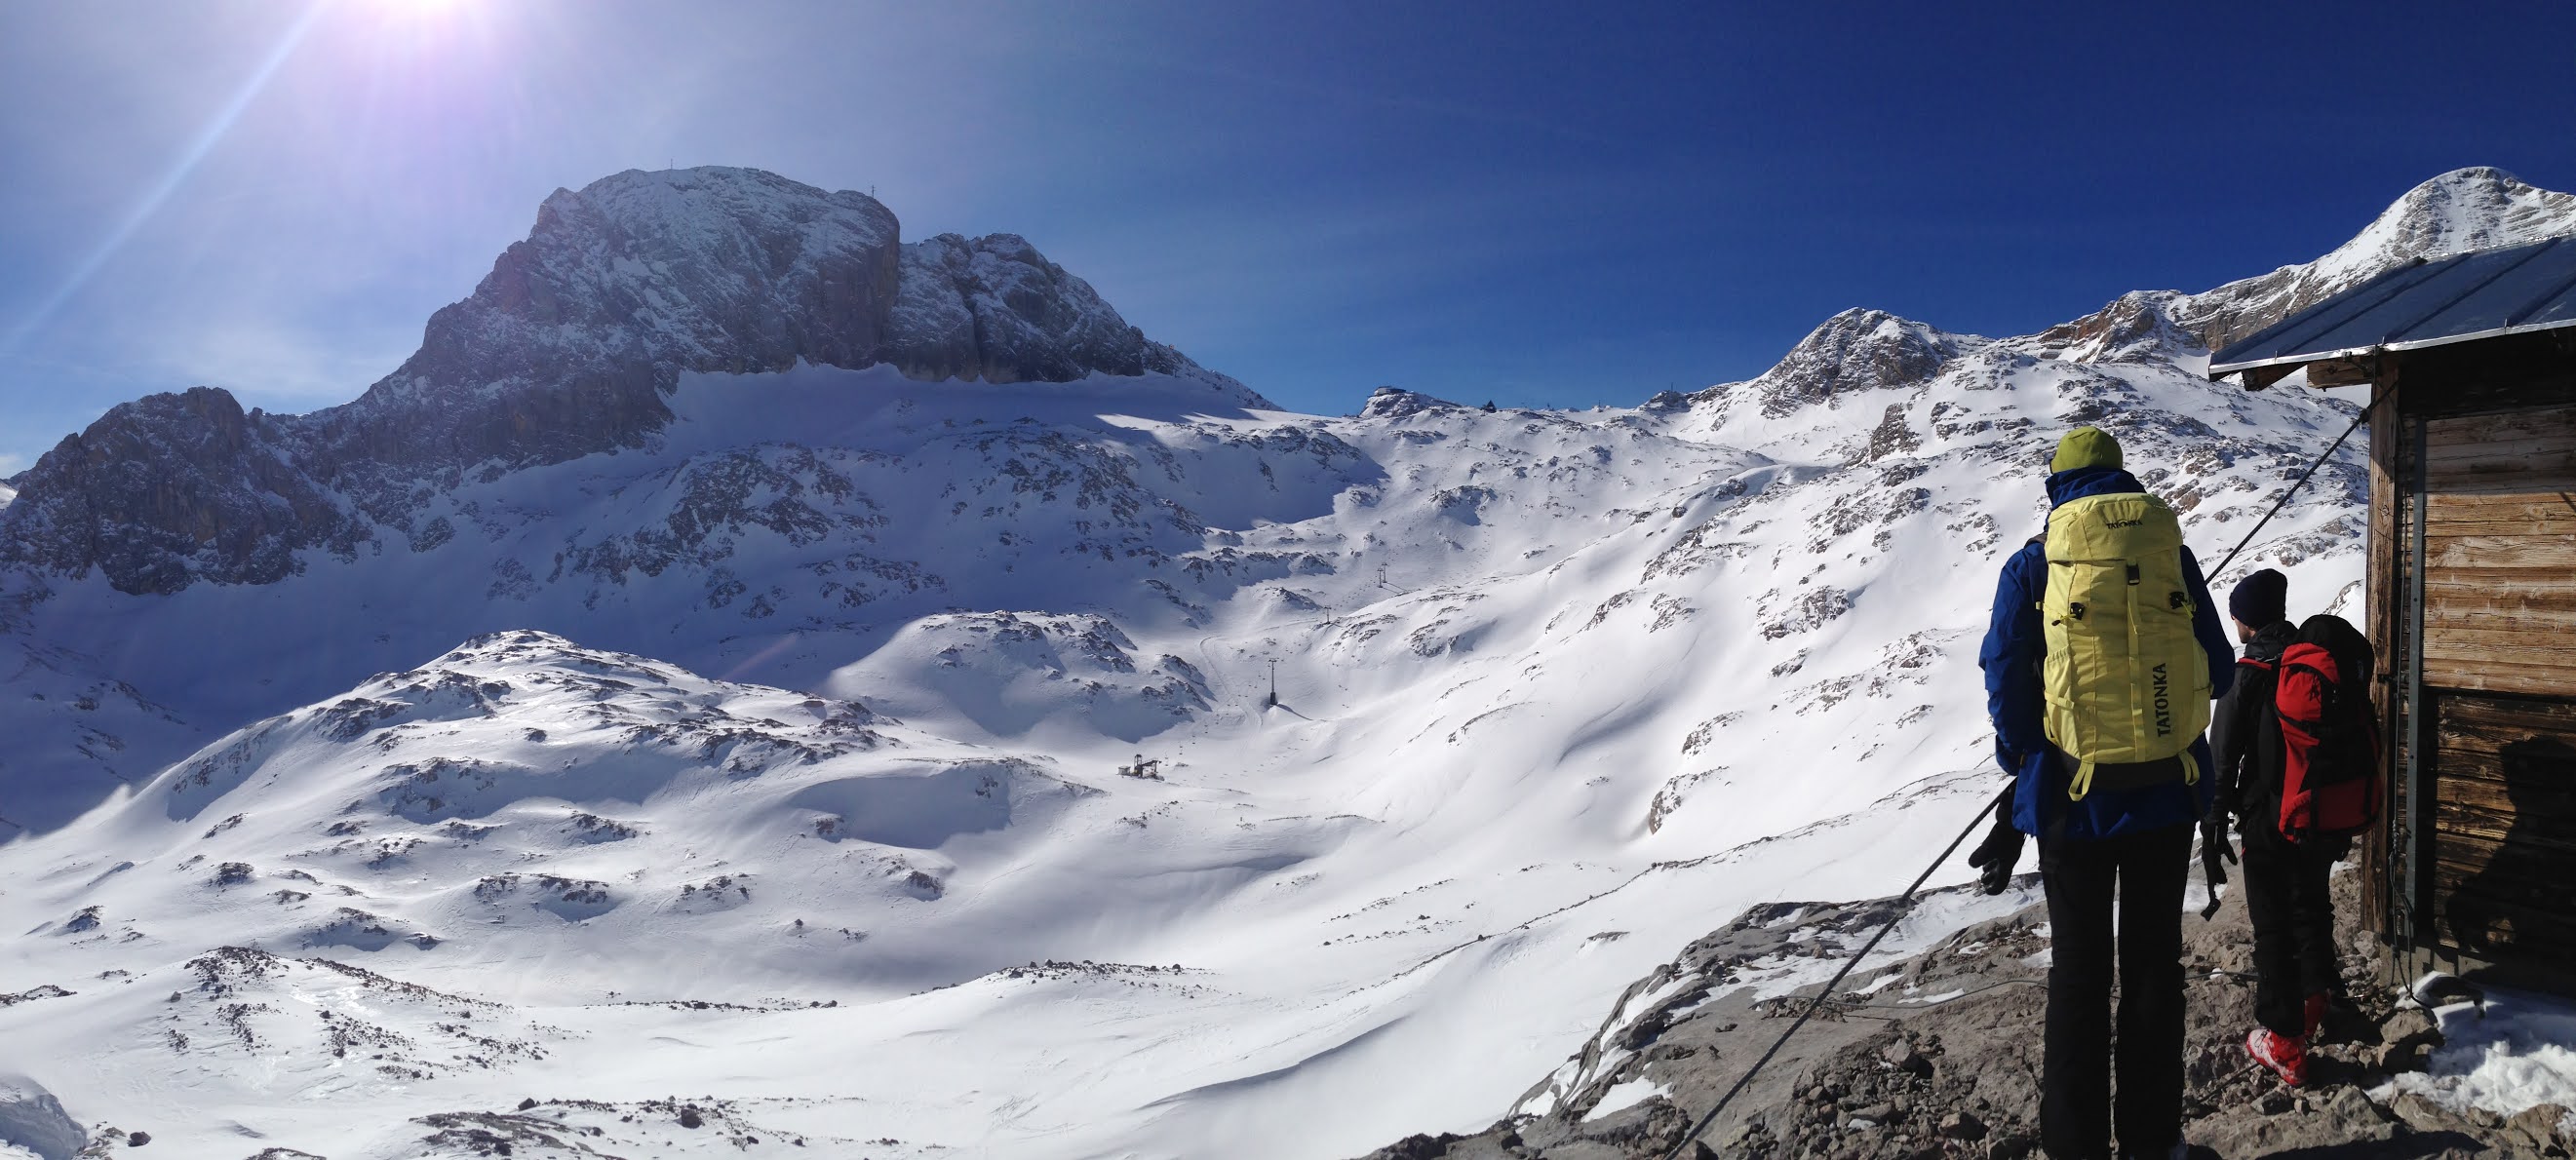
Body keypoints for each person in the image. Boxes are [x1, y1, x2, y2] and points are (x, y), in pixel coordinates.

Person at [1971, 426, 2234, 1160]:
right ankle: (2154, 1144)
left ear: (2057, 489)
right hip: (2167, 794)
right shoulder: (2171, 557)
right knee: (2155, 964)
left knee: (2080, 976)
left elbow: (2004, 674)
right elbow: (2218, 670)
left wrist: (2020, 756)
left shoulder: (2035, 565)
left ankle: (2075, 1148)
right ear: (2124, 482)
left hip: (2071, 802)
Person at [2207, 568, 2340, 1087]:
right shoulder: (2309, 660)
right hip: (2315, 811)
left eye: (2236, 613)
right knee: (2310, 904)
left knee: (2272, 925)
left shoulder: (2251, 671)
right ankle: (2315, 1000)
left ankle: (2283, 1043)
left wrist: (2214, 820)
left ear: (2247, 620)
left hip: (2267, 816)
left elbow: (2223, 757)